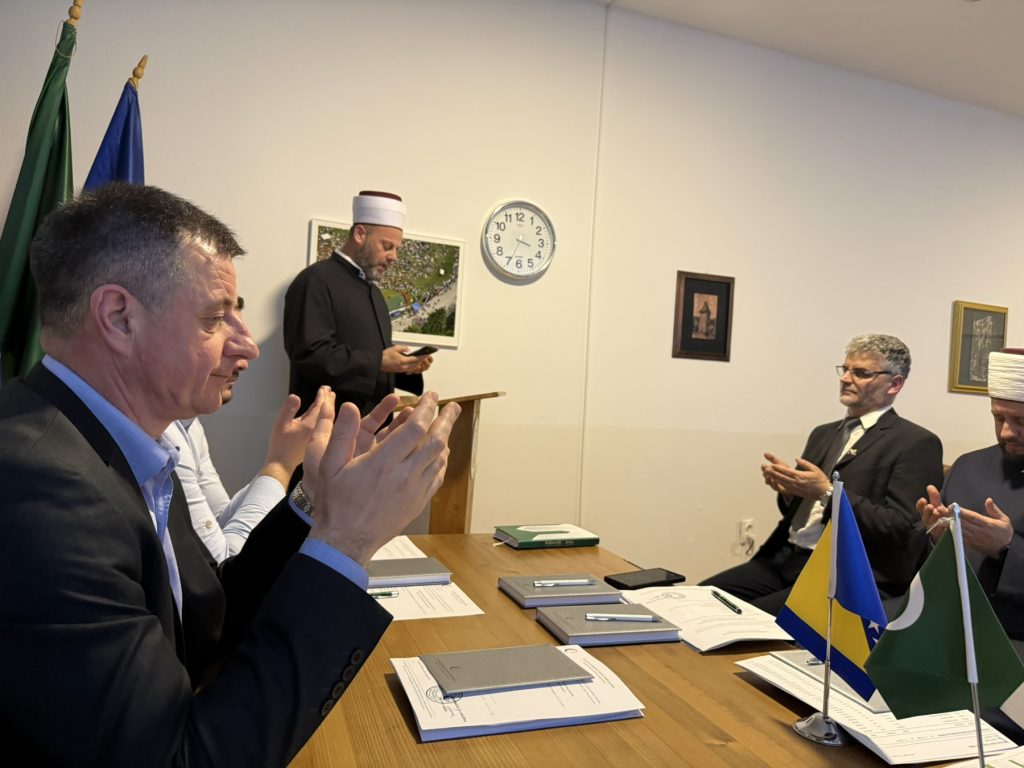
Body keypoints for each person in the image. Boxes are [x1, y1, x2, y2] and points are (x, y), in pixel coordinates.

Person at [0, 183, 460, 766]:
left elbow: (207, 622)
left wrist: (316, 503)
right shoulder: (40, 488)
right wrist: (347, 541)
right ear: (118, 317)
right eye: (216, 317)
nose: (249, 347)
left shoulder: (128, 442)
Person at [701, 333, 944, 613]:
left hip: (844, 573)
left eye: (861, 373)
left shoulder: (915, 442)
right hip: (785, 557)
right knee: (698, 601)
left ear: (895, 384)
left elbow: (901, 528)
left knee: (744, 620)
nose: (846, 379)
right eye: (845, 369)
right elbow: (805, 510)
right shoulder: (824, 433)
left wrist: (827, 492)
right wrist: (790, 491)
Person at [283, 190, 431, 416]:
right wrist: (378, 362)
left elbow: (374, 361)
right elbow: (309, 355)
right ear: (360, 234)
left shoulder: (375, 293)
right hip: (326, 425)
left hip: (372, 425)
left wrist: (405, 367)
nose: (394, 257)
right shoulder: (315, 280)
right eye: (387, 246)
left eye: (397, 249)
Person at [917, 348, 1024, 642]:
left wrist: (1007, 549)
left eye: (1021, 421)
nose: (1006, 432)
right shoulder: (968, 465)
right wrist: (938, 538)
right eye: (998, 418)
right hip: (950, 621)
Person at [165, 372, 321, 562]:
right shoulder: (167, 434)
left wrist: (282, 460)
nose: (247, 360)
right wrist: (281, 465)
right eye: (224, 355)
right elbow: (222, 564)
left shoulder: (189, 424)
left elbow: (218, 522)